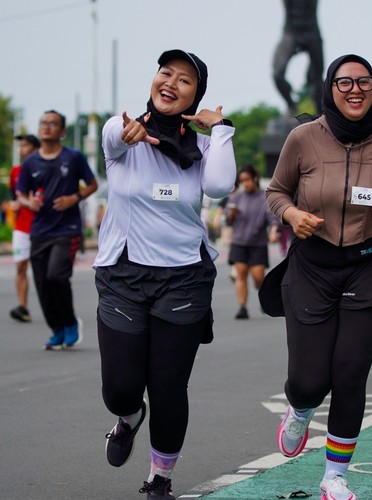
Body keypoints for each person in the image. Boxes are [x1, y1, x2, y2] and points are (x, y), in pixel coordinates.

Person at [264, 54, 372, 499]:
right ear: (330, 88)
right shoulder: (302, 138)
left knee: (350, 372)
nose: (355, 90)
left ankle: (334, 477)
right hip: (312, 267)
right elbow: (276, 192)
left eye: (364, 81)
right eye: (345, 82)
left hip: (369, 267)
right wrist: (292, 214)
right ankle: (300, 408)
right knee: (309, 380)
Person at [94, 49, 236, 499]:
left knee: (169, 386)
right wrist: (127, 131)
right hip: (123, 274)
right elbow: (115, 135)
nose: (171, 82)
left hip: (184, 279)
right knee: (120, 388)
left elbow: (219, 186)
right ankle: (129, 416)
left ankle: (159, 478)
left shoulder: (205, 149)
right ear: (154, 80)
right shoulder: (123, 134)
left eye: (185, 80)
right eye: (166, 73)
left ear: (196, 96)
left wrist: (220, 128)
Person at [16, 110, 97, 349]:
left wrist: (74, 198)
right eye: (43, 123)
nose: (47, 127)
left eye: (53, 124)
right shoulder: (30, 162)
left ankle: (70, 321)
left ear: (62, 131)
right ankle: (57, 329)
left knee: (56, 276)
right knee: (42, 283)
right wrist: (28, 202)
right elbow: (21, 193)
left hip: (67, 229)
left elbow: (92, 184)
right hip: (40, 230)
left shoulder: (73, 157)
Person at [226, 164, 279, 319]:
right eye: (242, 181)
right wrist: (232, 215)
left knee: (258, 277)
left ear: (255, 178)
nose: (245, 184)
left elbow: (273, 219)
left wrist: (274, 232)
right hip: (239, 242)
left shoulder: (264, 198)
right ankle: (242, 307)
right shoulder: (237, 197)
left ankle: (263, 296)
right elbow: (227, 221)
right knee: (241, 274)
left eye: (247, 180)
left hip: (258, 243)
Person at [9, 134, 40, 322]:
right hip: (21, 226)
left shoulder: (44, 168)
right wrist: (15, 203)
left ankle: (54, 309)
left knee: (44, 272)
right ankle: (23, 306)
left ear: (35, 149)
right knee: (20, 266)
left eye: (26, 145)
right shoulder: (15, 172)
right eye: (20, 146)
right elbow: (14, 195)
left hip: (41, 226)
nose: (22, 149)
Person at [272, 0, 324, 115]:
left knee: (317, 78)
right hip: (291, 32)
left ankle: (321, 114)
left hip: (312, 32)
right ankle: (291, 106)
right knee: (277, 74)